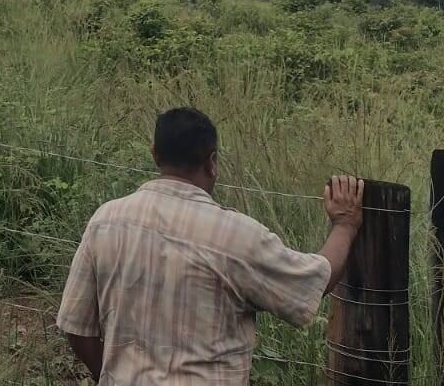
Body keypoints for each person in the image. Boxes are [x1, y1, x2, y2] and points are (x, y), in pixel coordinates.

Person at [56, 107, 365, 385]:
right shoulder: (237, 236)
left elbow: (77, 327)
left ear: (154, 153)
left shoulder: (107, 220)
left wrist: (110, 377)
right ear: (212, 162)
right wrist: (345, 224)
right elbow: (313, 280)